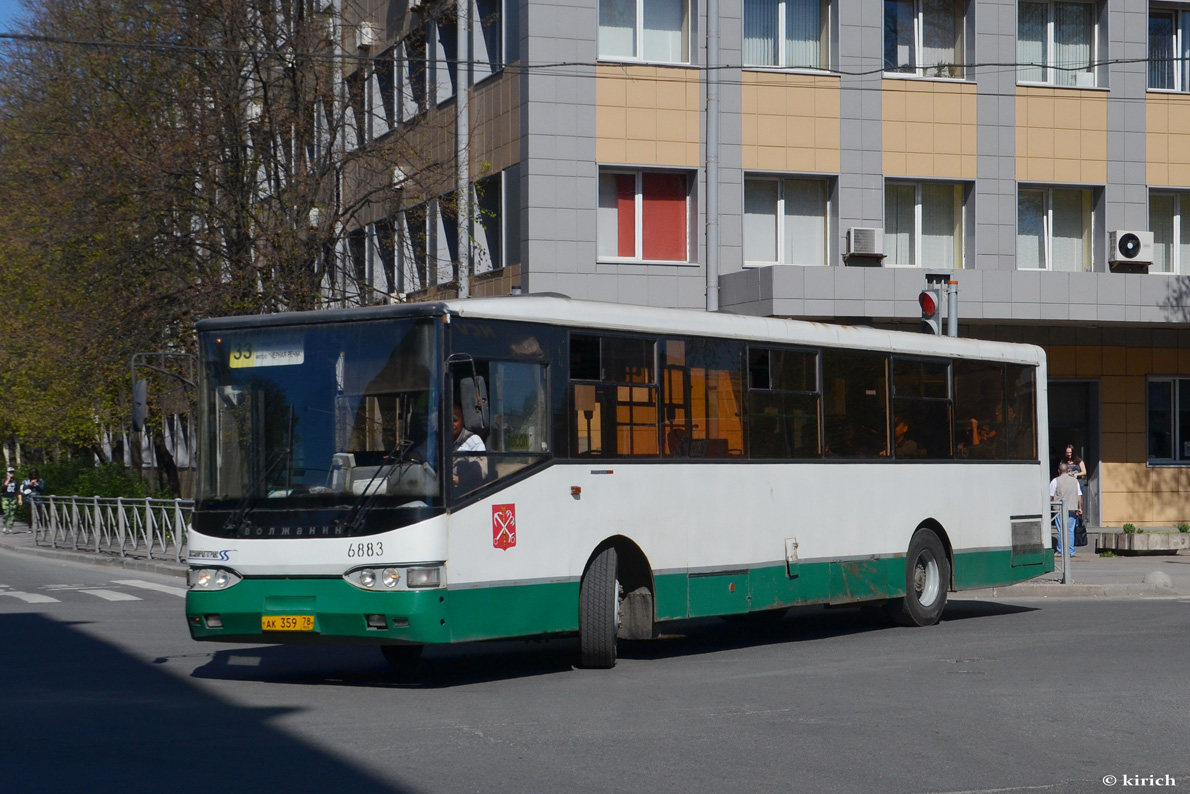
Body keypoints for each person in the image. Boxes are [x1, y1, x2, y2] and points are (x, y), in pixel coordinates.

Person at [451, 404, 487, 492]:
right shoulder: (436, 440)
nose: (451, 424)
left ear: (462, 421)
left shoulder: (473, 440)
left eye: (454, 420)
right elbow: (420, 453)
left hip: (465, 494)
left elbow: (482, 470)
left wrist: (456, 480)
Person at [1051, 462, 1082, 555]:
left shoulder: (1055, 481)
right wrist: (1079, 507)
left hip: (1059, 509)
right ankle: (1071, 550)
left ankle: (1061, 550)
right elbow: (1079, 495)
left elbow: (1051, 496)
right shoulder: (1075, 481)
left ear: (1059, 471)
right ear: (1068, 471)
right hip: (1072, 507)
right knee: (1070, 530)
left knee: (1061, 530)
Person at [1, 467, 20, 533]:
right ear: (7, 473)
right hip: (5, 498)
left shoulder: (16, 481)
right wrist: (8, 479)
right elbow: (3, 488)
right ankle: (4, 525)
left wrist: (19, 499)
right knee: (6, 512)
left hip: (13, 498)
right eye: (10, 472)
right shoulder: (4, 480)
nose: (12, 473)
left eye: (13, 472)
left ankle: (10, 527)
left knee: (12, 513)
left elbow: (18, 490)